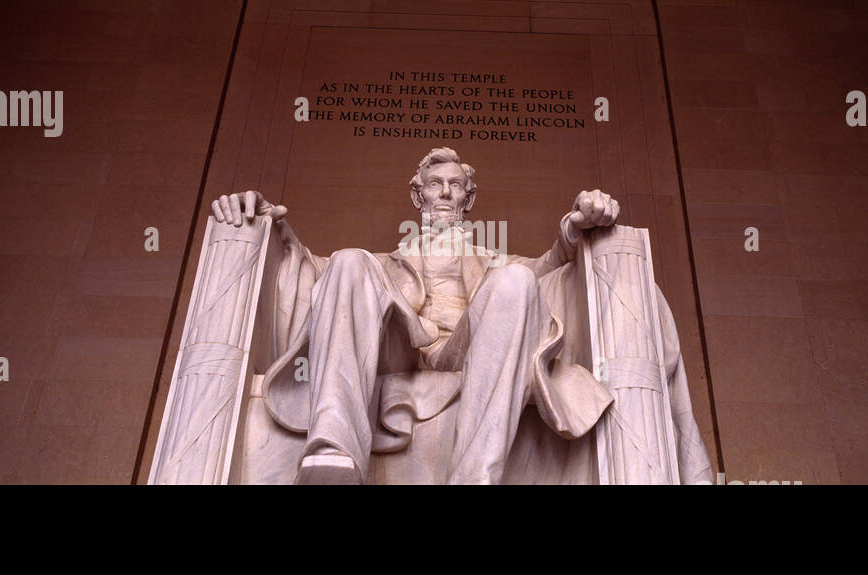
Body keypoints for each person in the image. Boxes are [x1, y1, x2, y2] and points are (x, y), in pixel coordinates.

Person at [212, 147, 622, 484]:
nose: (444, 193)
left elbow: (551, 266)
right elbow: (305, 270)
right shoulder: (379, 265)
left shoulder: (495, 262)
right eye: (434, 184)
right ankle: (332, 455)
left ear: (469, 198)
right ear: (417, 196)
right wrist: (268, 224)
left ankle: (475, 477)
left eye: (455, 185)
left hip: (468, 349)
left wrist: (575, 225)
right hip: (401, 346)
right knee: (349, 260)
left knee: (515, 281)